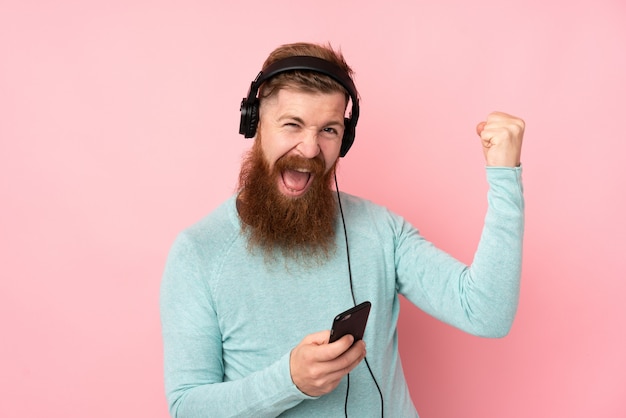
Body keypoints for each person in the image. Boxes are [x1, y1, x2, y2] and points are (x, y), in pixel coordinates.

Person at [160, 41, 525, 417]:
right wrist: (290, 381)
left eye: (329, 130)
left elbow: (486, 313)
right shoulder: (198, 252)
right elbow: (187, 407)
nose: (310, 148)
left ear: (345, 139)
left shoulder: (381, 229)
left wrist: (504, 177)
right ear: (254, 125)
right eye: (292, 124)